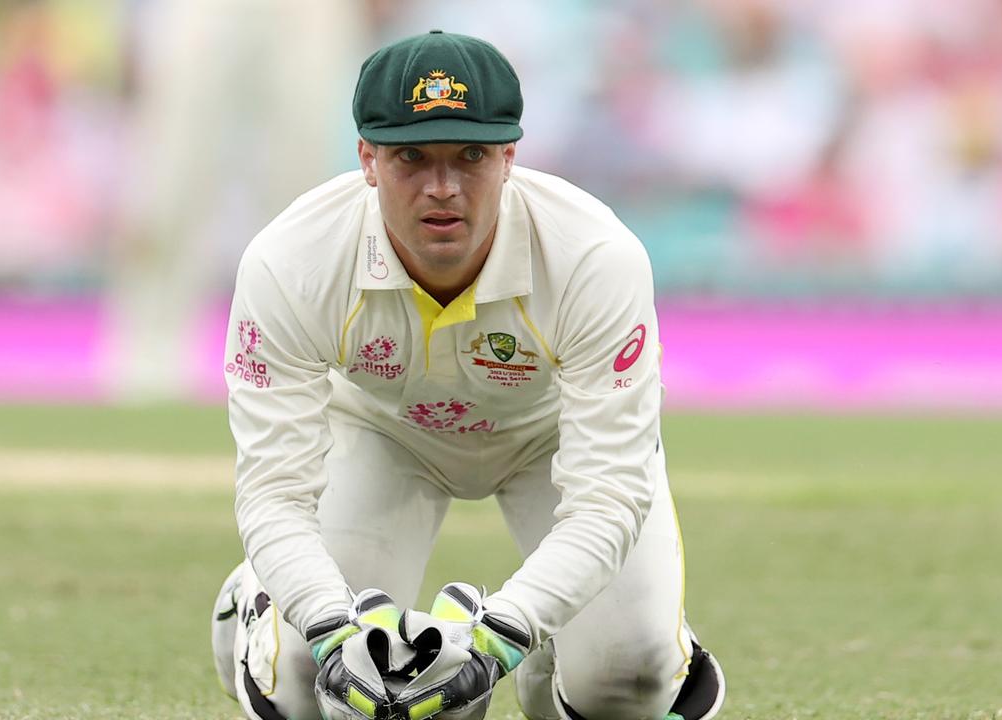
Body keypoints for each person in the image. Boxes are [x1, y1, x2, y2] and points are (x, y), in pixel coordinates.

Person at [211, 30, 725, 720]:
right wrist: (329, 629)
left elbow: (608, 496)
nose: (443, 188)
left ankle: (555, 647)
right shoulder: (290, 261)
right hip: (384, 429)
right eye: (412, 157)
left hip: (550, 436)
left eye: (471, 156)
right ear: (366, 157)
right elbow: (274, 493)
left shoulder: (596, 257)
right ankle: (258, 610)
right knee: (312, 683)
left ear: (510, 156)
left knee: (625, 681)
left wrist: (498, 639)